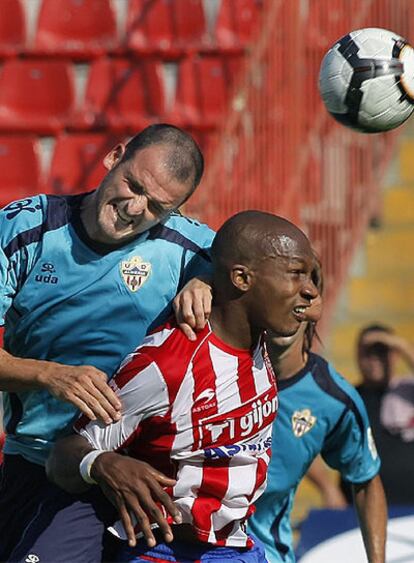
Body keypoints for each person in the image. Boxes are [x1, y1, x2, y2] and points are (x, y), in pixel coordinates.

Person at [27, 210, 321, 563]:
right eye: (295, 274)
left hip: (237, 546)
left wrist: (205, 281)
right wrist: (102, 463)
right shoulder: (166, 366)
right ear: (242, 278)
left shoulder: (260, 337)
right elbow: (64, 455)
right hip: (168, 551)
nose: (310, 291)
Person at [0, 124, 216, 560]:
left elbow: (277, 275)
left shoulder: (195, 252)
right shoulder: (26, 228)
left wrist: (210, 281)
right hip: (41, 462)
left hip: (148, 476)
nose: (134, 208)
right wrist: (49, 376)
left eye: (157, 207)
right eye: (132, 185)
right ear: (114, 156)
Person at [247, 284, 387, 562]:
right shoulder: (213, 363)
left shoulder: (333, 399)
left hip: (265, 554)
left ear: (315, 303)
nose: (291, 296)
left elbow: (367, 482)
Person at [341, 325, 414, 506]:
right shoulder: (347, 399)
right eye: (368, 353)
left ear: (395, 355)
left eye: (381, 351)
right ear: (358, 356)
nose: (374, 359)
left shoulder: (407, 393)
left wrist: (402, 346)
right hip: (360, 511)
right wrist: (329, 489)